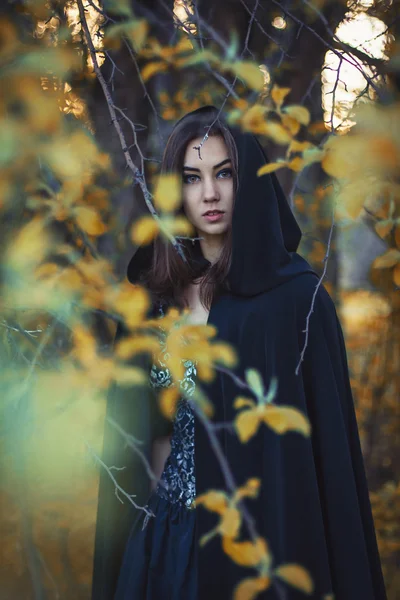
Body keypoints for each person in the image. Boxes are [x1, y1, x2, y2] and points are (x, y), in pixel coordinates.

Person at [91, 106, 387, 600]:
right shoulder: (150, 305)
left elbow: (325, 465)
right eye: (192, 177)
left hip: (260, 547)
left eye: (223, 173)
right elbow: (133, 443)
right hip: (164, 546)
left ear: (245, 179)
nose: (209, 193)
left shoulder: (295, 302)